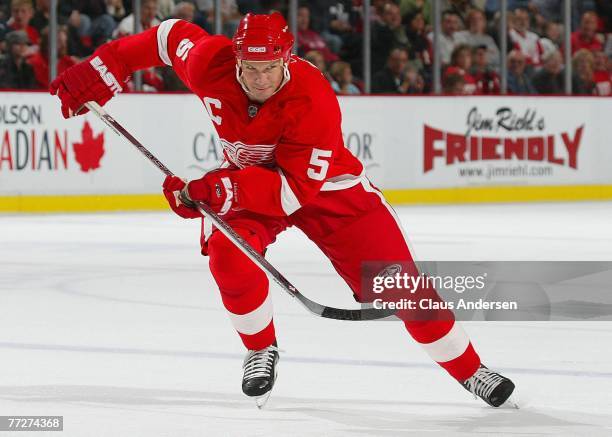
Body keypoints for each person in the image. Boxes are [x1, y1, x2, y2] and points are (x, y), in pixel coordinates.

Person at [49, 12, 515, 409]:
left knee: (398, 285)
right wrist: (108, 64)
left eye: (269, 68)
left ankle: (471, 369)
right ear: (236, 58)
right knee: (229, 256)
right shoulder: (212, 62)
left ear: (287, 59)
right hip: (252, 189)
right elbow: (168, 36)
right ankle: (260, 347)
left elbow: (292, 194)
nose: (258, 79)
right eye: (249, 68)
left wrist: (216, 190)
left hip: (330, 192)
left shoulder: (313, 99)